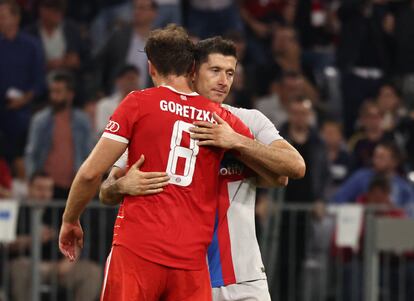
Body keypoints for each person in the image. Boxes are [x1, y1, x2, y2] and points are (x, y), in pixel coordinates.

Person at [100, 36, 306, 300]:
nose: (224, 81)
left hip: (243, 277)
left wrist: (237, 141)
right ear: (193, 72)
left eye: (230, 73)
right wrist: (120, 186)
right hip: (181, 275)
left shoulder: (248, 120)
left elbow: (293, 168)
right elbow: (106, 190)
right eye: (215, 70)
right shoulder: (155, 120)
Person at [58, 25, 254, 301]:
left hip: (138, 249)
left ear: (151, 67)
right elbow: (283, 172)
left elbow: (91, 173)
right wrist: (242, 144)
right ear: (192, 69)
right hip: (191, 262)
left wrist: (70, 220)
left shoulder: (139, 103)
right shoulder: (222, 118)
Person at [9, 172, 102, 301]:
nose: (44, 194)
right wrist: (32, 240)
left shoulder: (62, 212)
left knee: (92, 272)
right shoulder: (18, 210)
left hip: (57, 267)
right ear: (29, 188)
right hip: (26, 264)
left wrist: (67, 263)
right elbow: (6, 244)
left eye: (48, 189)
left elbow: (75, 242)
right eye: (39, 188)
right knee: (18, 269)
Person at [25, 72, 94, 199]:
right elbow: (32, 152)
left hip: (74, 184)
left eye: (58, 92)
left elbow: (89, 152)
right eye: (52, 91)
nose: (53, 96)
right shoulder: (40, 120)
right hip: (47, 187)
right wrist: (33, 178)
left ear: (70, 94)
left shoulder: (82, 121)